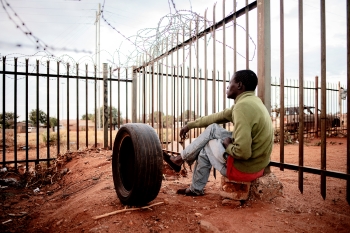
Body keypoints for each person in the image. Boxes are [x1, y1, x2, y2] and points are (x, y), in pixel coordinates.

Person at [163, 69, 274, 196]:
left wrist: (228, 146)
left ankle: (180, 161)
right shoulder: (253, 102)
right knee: (210, 135)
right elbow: (215, 117)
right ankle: (192, 183)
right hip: (257, 167)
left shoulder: (242, 107)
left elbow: (243, 152)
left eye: (230, 82)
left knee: (209, 139)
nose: (228, 86)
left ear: (239, 85)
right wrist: (191, 125)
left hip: (244, 169)